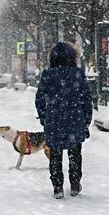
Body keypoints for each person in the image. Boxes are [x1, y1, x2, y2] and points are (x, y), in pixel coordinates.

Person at [35, 42, 92, 199]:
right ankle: (74, 184)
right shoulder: (77, 74)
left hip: (54, 120)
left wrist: (44, 116)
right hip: (75, 118)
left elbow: (39, 97)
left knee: (55, 154)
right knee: (75, 153)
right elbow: (86, 98)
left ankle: (58, 187)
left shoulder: (48, 74)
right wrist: (87, 119)